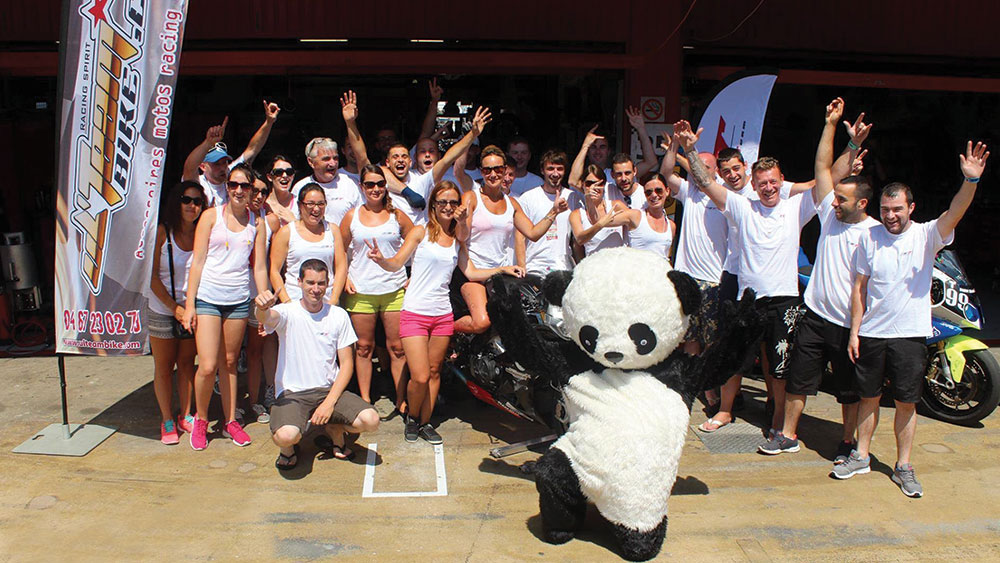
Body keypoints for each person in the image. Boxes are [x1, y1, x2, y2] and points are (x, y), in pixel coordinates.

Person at [837, 140, 990, 498]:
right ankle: (860, 455)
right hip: (872, 332)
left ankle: (903, 465)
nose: (890, 215)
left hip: (909, 335)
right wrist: (854, 332)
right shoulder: (869, 238)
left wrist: (970, 182)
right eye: (885, 209)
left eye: (897, 209)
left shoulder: (926, 235)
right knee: (868, 397)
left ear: (911, 208)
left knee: (907, 402)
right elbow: (859, 289)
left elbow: (955, 212)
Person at [676, 120, 819, 438]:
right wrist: (687, 148)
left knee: (776, 358)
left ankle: (775, 412)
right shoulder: (738, 203)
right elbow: (704, 180)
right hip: (741, 286)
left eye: (773, 182)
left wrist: (842, 141)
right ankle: (726, 409)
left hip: (781, 294)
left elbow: (823, 179)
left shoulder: (792, 205)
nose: (766, 187)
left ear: (779, 182)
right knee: (734, 352)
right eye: (762, 182)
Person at [759, 98, 875, 459]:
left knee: (848, 390)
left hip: (848, 324)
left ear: (863, 203)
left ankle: (846, 441)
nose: (834, 202)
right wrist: (832, 125)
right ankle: (788, 435)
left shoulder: (875, 233)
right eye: (835, 198)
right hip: (814, 315)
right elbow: (824, 167)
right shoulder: (828, 215)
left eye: (842, 199)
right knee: (798, 379)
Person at [367, 181, 526, 443]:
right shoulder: (419, 232)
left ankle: (425, 423)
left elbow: (472, 273)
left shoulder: (457, 241)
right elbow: (396, 263)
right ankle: (412, 416)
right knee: (418, 376)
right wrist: (381, 259)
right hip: (415, 312)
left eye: (453, 202)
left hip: (442, 315)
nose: (448, 207)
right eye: (442, 202)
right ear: (433, 205)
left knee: (434, 372)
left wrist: (503, 269)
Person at [256, 259, 380, 470]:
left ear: (328, 284)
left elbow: (347, 364)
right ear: (299, 282)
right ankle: (287, 450)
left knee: (370, 420)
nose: (315, 289)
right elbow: (268, 318)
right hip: (293, 394)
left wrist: (329, 403)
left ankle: (334, 428)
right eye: (310, 283)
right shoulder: (288, 312)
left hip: (328, 391)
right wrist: (261, 307)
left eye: (321, 283)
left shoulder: (338, 315)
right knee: (287, 436)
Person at [183, 163, 264, 450]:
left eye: (245, 185)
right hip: (208, 298)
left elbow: (260, 268)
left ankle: (231, 421)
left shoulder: (257, 222)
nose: (239, 190)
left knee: (230, 363)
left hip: (238, 299)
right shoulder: (209, 216)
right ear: (227, 187)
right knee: (207, 365)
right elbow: (198, 262)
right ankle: (202, 419)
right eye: (233, 184)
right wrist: (190, 304)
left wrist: (264, 297)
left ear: (253, 190)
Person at [453, 146, 568, 334]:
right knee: (482, 322)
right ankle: (443, 329)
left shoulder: (512, 203)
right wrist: (461, 222)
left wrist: (554, 211)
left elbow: (532, 233)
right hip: (473, 272)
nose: (492, 175)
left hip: (500, 274)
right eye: (487, 170)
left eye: (497, 169)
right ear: (481, 172)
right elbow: (461, 237)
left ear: (505, 170)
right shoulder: (471, 198)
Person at [341, 164, 417, 410]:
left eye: (380, 184)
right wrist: (343, 279)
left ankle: (401, 399)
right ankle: (364, 399)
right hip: (361, 291)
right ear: (362, 187)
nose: (375, 189)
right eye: (370, 184)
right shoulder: (352, 216)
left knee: (397, 348)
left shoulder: (397, 215)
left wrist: (413, 274)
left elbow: (418, 240)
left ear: (386, 187)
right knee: (363, 348)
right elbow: (339, 250)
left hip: (394, 290)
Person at [147, 181, 205, 444]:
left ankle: (186, 414)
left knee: (186, 364)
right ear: (176, 202)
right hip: (162, 307)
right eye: (186, 200)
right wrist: (175, 308)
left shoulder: (202, 233)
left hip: (190, 308)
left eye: (197, 201)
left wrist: (187, 309)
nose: (192, 206)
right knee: (163, 366)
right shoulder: (162, 232)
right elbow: (150, 278)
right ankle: (166, 419)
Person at [181, 101, 281, 206]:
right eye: (216, 164)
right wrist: (208, 143)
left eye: (224, 162)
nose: (222, 167)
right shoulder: (199, 182)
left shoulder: (231, 172)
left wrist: (269, 122)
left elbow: (252, 149)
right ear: (202, 166)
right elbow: (189, 167)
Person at [269, 184, 347, 306]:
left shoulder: (333, 230)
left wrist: (334, 298)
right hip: (294, 299)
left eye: (320, 204)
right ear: (300, 205)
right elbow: (274, 270)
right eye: (310, 204)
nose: (316, 209)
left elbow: (341, 266)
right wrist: (287, 301)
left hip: (326, 301)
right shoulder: (286, 232)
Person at [514, 150, 576, 275]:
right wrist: (522, 269)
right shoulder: (528, 198)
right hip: (535, 268)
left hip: (564, 267)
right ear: (542, 171)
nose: (555, 173)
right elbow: (519, 237)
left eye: (559, 169)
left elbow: (576, 239)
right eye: (550, 169)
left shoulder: (572, 197)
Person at [244, 174, 274, 425]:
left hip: (257, 293)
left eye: (264, 191)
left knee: (255, 353)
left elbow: (263, 265)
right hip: (228, 295)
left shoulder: (267, 219)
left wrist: (263, 300)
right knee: (229, 357)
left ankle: (254, 401)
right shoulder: (224, 215)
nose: (259, 195)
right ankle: (231, 407)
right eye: (254, 190)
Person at [290, 134, 361, 226]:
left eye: (335, 158)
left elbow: (361, 219)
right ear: (311, 162)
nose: (333, 163)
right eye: (326, 159)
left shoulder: (351, 184)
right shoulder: (300, 187)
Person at [568, 164, 638, 257]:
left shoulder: (616, 206)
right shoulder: (576, 214)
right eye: (589, 184)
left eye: (599, 184)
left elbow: (634, 227)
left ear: (604, 185)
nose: (594, 188)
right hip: (594, 266)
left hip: (618, 265)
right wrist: (600, 224)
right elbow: (580, 240)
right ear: (583, 185)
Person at [627, 172, 675, 260]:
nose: (654, 195)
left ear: (667, 191)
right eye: (648, 192)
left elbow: (666, 256)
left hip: (660, 272)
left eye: (658, 190)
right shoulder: (636, 216)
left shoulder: (671, 225)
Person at [264, 155, 298, 226]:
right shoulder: (262, 204)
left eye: (289, 172)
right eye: (279, 172)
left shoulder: (300, 203)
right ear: (269, 177)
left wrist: (294, 221)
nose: (285, 175)